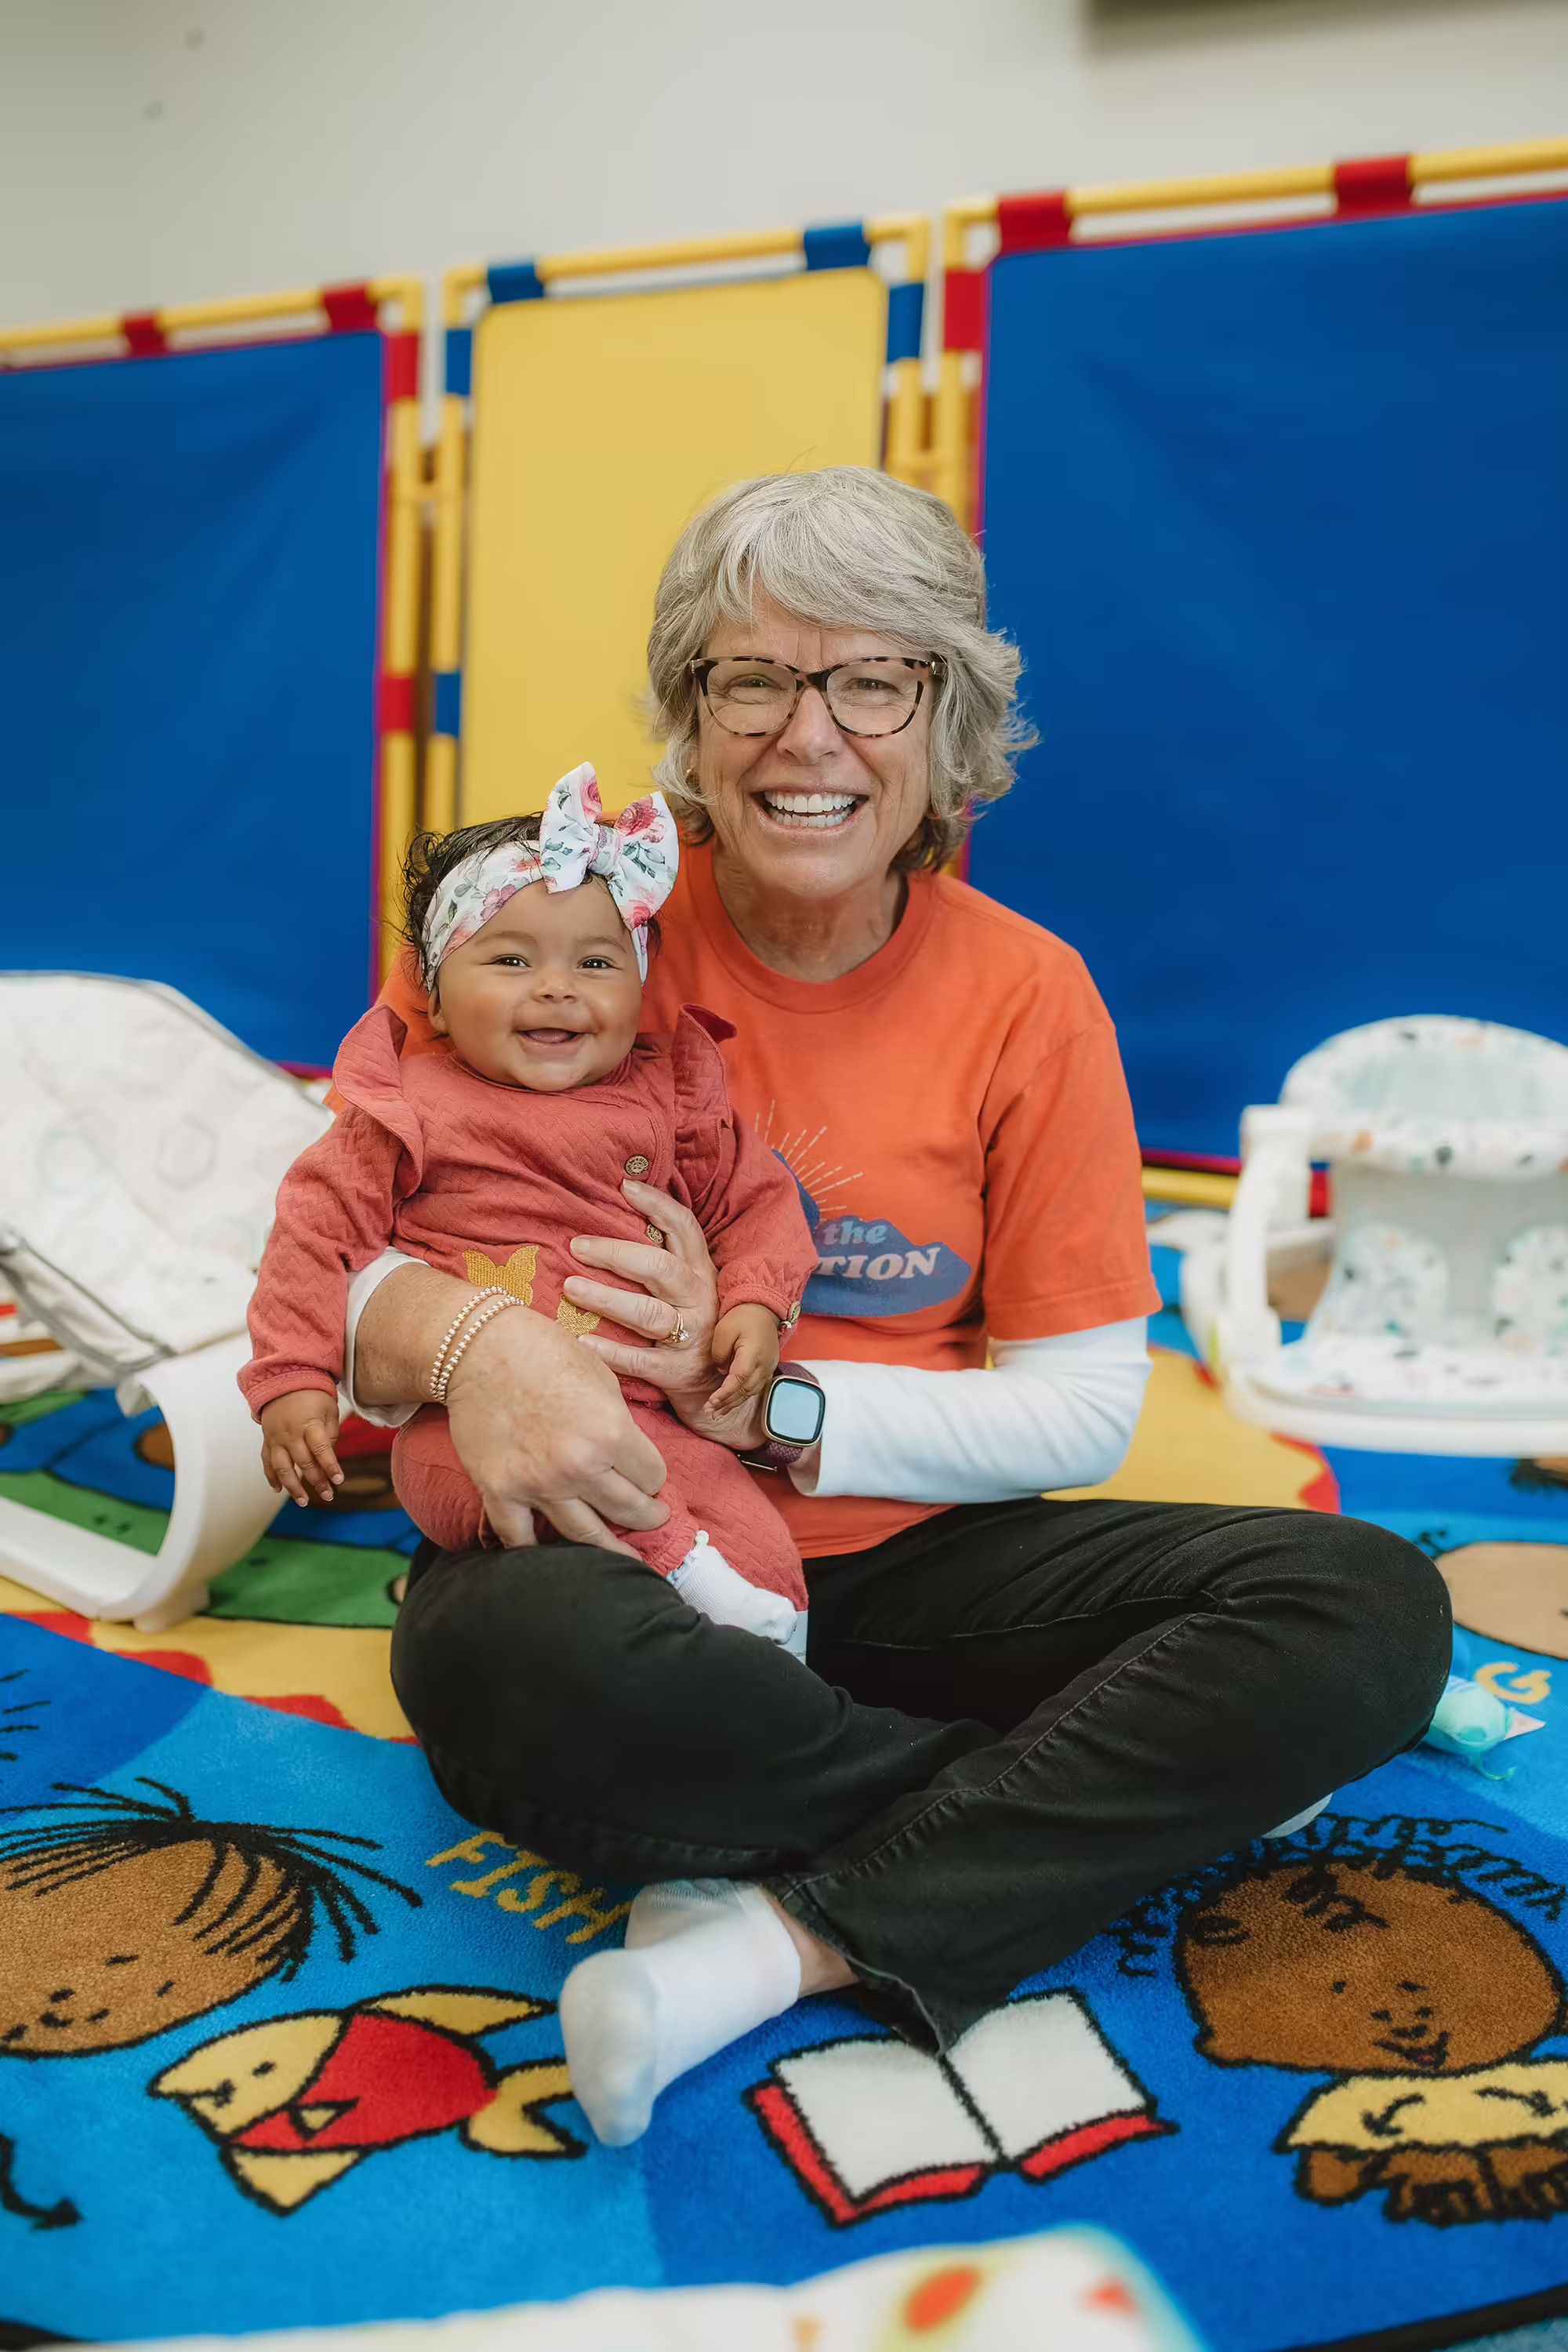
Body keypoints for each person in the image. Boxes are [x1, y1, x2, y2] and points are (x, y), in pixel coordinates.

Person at [345, 467, 1452, 2148]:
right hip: (616, 1541)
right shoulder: (554, 932)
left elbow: (1082, 1410)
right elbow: (321, 1251)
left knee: (1367, 1608)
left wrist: (769, 1408)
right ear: (689, 716)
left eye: (873, 680)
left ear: (947, 722)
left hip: (923, 1553)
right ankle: (1095, 1791)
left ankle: (774, 1937)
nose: (810, 736)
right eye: (754, 678)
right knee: (512, 1664)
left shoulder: (1029, 995)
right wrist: (471, 1341)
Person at [240, 764, 816, 1651]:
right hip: (468, 1432)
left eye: (594, 962)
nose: (555, 986)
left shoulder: (669, 1096)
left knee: (765, 1551)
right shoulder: (408, 1106)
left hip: (654, 1418)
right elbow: (315, 1236)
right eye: (509, 960)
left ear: (636, 987)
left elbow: (755, 1203)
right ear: (432, 990)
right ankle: (679, 1567)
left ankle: (776, 1670)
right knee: (583, 1525)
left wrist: (754, 1303)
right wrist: (291, 1377)